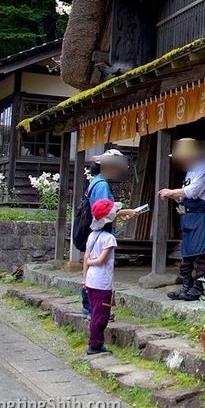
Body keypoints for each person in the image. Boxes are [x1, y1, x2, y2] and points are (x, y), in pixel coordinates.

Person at [80, 149, 138, 318]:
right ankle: (94, 308)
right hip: (102, 230)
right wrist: (126, 211)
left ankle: (90, 306)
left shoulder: (95, 181)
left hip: (94, 230)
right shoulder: (102, 185)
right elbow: (104, 210)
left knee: (93, 267)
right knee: (101, 269)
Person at [159, 138, 205, 301]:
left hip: (201, 215)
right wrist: (175, 196)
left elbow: (193, 191)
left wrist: (171, 192)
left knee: (200, 254)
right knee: (187, 255)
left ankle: (197, 288)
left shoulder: (204, 168)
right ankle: (186, 286)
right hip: (188, 214)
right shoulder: (190, 171)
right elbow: (185, 193)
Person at [83, 198, 120, 355]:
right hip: (101, 282)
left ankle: (95, 342)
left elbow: (86, 257)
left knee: (94, 312)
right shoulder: (109, 238)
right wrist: (92, 262)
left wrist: (84, 278)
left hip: (91, 279)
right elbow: (100, 260)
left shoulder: (92, 235)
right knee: (101, 315)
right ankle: (95, 344)